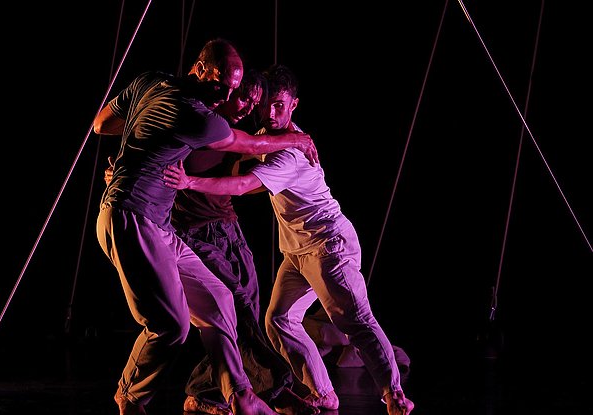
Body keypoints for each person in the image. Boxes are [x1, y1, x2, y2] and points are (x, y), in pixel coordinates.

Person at [162, 64, 415, 415]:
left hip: (328, 245)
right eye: (267, 104)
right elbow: (241, 151)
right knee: (278, 320)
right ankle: (323, 392)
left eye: (279, 105)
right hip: (297, 251)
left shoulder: (288, 154)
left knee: (356, 320)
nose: (270, 112)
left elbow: (241, 186)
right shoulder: (273, 138)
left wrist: (188, 181)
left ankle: (394, 395)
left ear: (294, 104)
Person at [93, 39, 319, 415]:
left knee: (219, 299)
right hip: (132, 218)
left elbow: (103, 124)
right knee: (171, 326)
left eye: (234, 89)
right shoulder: (198, 116)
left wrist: (138, 143)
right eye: (221, 87)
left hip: (157, 224)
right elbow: (244, 145)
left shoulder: (150, 82)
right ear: (199, 69)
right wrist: (296, 137)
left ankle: (240, 394)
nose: (226, 96)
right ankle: (130, 397)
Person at [173, 69, 318, 415]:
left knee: (248, 311)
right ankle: (274, 388)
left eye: (254, 103)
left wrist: (296, 142)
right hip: (192, 230)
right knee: (234, 306)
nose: (249, 108)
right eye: (244, 99)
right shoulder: (198, 123)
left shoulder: (236, 131)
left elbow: (252, 154)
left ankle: (204, 392)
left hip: (227, 227)